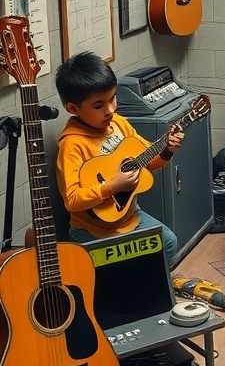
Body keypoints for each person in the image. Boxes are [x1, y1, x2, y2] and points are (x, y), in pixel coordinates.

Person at [55, 52, 184, 268]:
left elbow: (147, 160)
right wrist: (112, 187)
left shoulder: (119, 124)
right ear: (73, 109)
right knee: (119, 270)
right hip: (92, 231)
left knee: (169, 242)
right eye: (99, 106)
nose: (111, 109)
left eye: (112, 98)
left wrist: (167, 149)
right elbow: (73, 200)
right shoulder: (72, 145)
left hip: (130, 218)